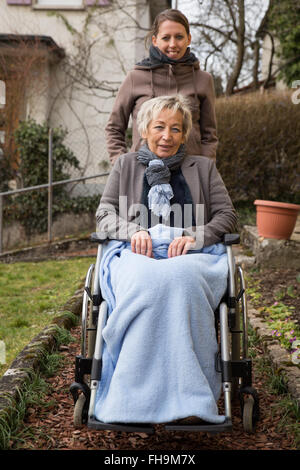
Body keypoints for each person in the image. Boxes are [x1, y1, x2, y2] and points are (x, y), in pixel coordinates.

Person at [94, 95, 236, 426]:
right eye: (159, 127)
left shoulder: (203, 168)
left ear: (184, 134)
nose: (166, 136)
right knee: (146, 281)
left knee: (180, 280)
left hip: (191, 253)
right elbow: (104, 214)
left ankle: (190, 398)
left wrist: (195, 236)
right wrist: (131, 232)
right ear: (144, 129)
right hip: (136, 250)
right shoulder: (125, 165)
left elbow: (227, 215)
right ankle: (131, 399)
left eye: (175, 129)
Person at [105, 8, 218, 165]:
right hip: (143, 174)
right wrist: (122, 165)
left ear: (189, 39)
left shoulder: (203, 80)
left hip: (190, 175)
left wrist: (205, 168)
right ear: (155, 40)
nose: (173, 44)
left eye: (179, 37)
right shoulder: (135, 78)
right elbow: (114, 129)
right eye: (166, 38)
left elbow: (209, 134)